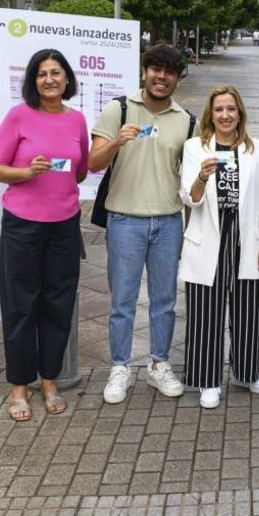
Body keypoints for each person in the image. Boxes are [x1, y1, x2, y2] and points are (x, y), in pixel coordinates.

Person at [89, 43, 196, 404]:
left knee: (165, 301)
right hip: (124, 220)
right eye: (155, 69)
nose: (161, 77)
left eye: (169, 72)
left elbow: (190, 176)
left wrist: (188, 226)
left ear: (177, 79)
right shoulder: (118, 108)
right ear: (144, 71)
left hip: (167, 221)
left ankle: (158, 365)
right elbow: (92, 163)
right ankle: (119, 367)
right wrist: (116, 142)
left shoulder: (187, 120)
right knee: (123, 301)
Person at [0, 48, 89, 422]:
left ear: (67, 80)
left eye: (56, 73)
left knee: (58, 304)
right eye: (42, 74)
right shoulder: (19, 116)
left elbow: (78, 172)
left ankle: (49, 381)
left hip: (64, 224)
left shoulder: (76, 119)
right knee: (21, 305)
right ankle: (19, 386)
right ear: (33, 80)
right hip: (22, 225)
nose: (50, 79)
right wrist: (27, 172)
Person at [179, 86, 259, 408]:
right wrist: (203, 177)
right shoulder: (195, 147)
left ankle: (247, 373)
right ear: (211, 113)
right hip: (209, 234)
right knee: (206, 310)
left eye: (231, 109)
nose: (225, 115)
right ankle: (208, 379)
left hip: (244, 236)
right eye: (219, 109)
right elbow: (189, 198)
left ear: (240, 114)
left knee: (247, 307)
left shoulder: (254, 148)